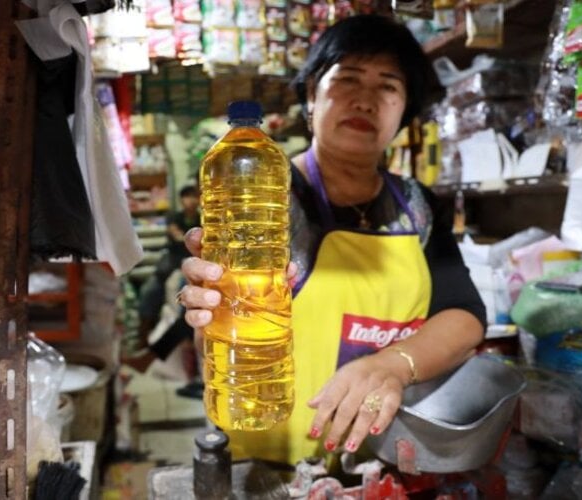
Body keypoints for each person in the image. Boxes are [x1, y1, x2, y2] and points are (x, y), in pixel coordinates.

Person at [177, 14, 487, 466]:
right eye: (347, 80)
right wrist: (206, 309)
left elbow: (464, 314)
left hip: (377, 457)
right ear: (310, 95)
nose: (365, 100)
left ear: (404, 111)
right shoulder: (265, 198)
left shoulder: (417, 205)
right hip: (272, 461)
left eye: (388, 86)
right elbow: (225, 331)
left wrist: (391, 365)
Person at [134, 185, 200, 349]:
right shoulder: (174, 217)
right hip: (172, 262)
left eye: (194, 196)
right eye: (187, 196)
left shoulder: (202, 220)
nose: (191, 201)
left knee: (184, 300)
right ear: (181, 200)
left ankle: (174, 346)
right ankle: (143, 339)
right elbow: (177, 236)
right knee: (149, 292)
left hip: (192, 263)